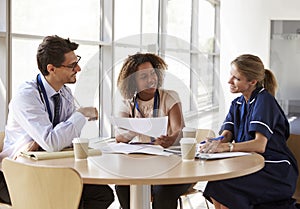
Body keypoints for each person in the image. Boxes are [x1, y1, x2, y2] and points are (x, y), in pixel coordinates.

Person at [0, 35, 114, 209]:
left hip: (48, 167)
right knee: (71, 198)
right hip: (15, 174)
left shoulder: (64, 94)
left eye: (77, 62)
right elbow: (54, 143)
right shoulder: (27, 96)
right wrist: (81, 114)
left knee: (103, 194)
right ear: (51, 68)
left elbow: (65, 139)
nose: (79, 68)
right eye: (72, 65)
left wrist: (49, 140)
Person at [200, 54, 298, 209]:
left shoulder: (264, 100)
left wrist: (227, 147)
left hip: (274, 169)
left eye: (236, 78)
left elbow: (260, 145)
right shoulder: (237, 103)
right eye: (230, 75)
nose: (229, 81)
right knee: (215, 185)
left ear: (252, 82)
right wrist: (215, 142)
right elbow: (227, 134)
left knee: (223, 188)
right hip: (251, 164)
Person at [115, 52, 191, 209]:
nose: (151, 79)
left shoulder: (169, 96)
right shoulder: (127, 103)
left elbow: (179, 129)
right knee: (122, 186)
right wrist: (135, 128)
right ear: (133, 82)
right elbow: (119, 137)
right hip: (143, 166)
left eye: (152, 73)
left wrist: (170, 139)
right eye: (143, 77)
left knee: (162, 190)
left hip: (174, 166)